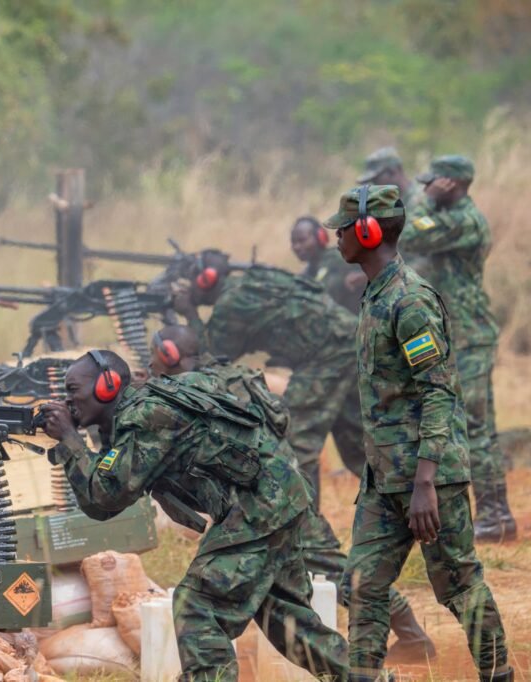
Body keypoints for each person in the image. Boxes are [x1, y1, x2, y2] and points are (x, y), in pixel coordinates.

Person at [39, 349, 349, 682]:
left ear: (108, 385)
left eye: (73, 390)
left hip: (259, 506)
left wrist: (70, 439)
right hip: (273, 500)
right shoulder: (130, 420)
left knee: (198, 607)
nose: (67, 401)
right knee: (289, 622)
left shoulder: (147, 415)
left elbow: (108, 493)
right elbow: (101, 506)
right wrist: (72, 442)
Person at [149, 325, 437, 663]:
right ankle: (407, 635)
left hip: (267, 501)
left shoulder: (194, 389)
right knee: (314, 569)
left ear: (168, 354)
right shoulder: (234, 376)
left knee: (328, 568)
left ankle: (410, 635)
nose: (151, 365)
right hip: (282, 489)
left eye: (154, 357)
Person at [325, 184, 511, 682]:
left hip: (429, 477)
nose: (337, 237)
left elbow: (439, 391)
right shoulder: (376, 295)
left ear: (368, 232)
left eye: (343, 229)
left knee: (459, 584)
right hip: (385, 477)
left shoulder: (409, 301)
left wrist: (426, 481)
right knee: (361, 584)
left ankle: (499, 674)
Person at [170, 251, 366, 505]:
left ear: (206, 279)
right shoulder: (255, 282)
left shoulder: (232, 304)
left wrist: (189, 313)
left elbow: (210, 358)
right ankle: (405, 501)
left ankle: (307, 524)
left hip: (328, 357)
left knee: (296, 444)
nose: (189, 290)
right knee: (357, 446)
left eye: (191, 282)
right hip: (351, 342)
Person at [399, 155, 516, 543]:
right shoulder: (452, 220)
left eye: (433, 183)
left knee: (473, 428)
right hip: (460, 335)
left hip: (469, 337)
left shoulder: (463, 220)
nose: (427, 188)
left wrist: (426, 201)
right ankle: (497, 515)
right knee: (477, 428)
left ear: (451, 183)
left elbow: (409, 235)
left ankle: (495, 515)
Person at [291, 215, 365, 314]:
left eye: (302, 240)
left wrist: (363, 277)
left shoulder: (343, 257)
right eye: (293, 242)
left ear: (320, 237)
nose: (297, 247)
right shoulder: (305, 276)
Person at [357, 146, 422, 210]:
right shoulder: (388, 205)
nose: (374, 185)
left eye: (376, 179)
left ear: (393, 171)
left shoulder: (422, 198)